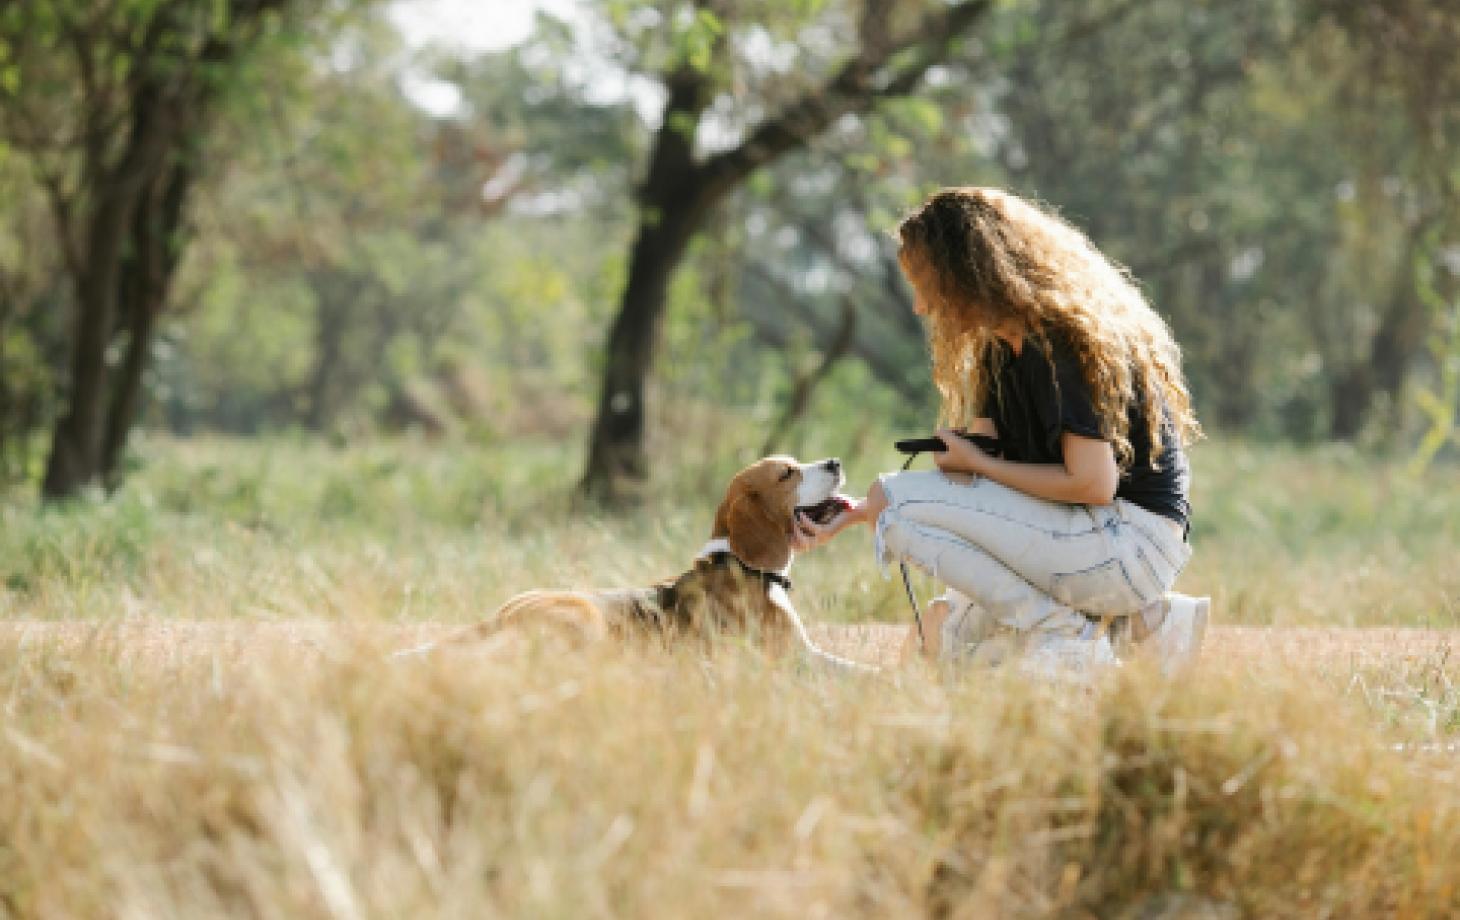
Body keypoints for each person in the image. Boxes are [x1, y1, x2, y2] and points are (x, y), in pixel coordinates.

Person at [794, 187, 1209, 676]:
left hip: (1130, 544)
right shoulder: (1000, 350)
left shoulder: (1065, 344)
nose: (921, 307)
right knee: (940, 635)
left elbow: (1094, 484)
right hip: (1087, 536)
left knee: (896, 502)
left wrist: (971, 466)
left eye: (926, 283)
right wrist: (860, 512)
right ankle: (1145, 627)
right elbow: (983, 477)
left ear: (970, 273)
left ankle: (1072, 636)